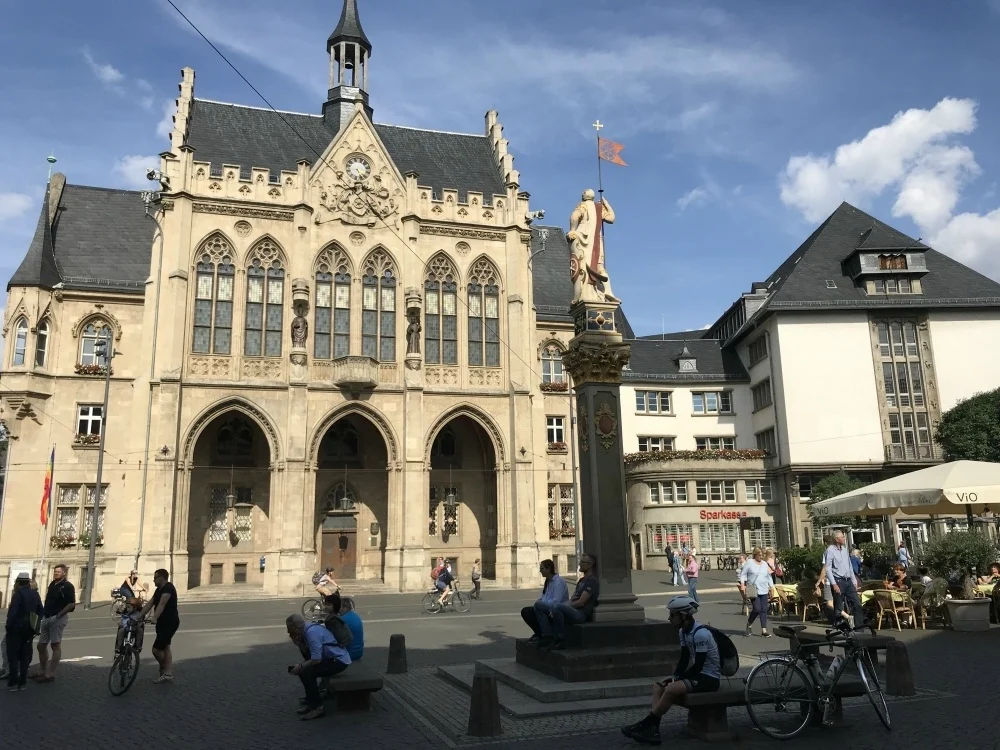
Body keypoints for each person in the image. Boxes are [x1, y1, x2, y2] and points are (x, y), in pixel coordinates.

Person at [620, 595, 720, 745]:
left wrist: (678, 680)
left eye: (672, 615)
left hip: (709, 678)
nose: (669, 618)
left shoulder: (700, 634)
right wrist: (675, 676)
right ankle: (653, 730)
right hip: (698, 675)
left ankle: (646, 724)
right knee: (658, 686)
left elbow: (698, 665)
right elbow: (684, 659)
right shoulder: (683, 632)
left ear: (684, 615)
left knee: (671, 689)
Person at [286, 613, 351, 720]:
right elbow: (309, 655)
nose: (289, 632)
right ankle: (311, 703)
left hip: (339, 661)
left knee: (306, 672)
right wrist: (299, 644)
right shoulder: (306, 631)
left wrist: (301, 666)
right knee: (304, 671)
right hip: (331, 659)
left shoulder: (311, 633)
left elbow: (316, 660)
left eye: (289, 629)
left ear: (296, 628)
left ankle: (317, 708)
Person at [33, 563, 76, 683]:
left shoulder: (67, 586)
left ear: (64, 573)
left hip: (58, 618)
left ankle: (50, 674)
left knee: (55, 645)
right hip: (47, 617)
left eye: (58, 572)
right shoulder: (52, 584)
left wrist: (58, 615)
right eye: (55, 572)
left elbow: (71, 604)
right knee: (41, 645)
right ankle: (42, 671)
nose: (56, 573)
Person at [548, 553, 599, 650]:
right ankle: (551, 638)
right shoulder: (581, 580)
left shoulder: (592, 581)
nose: (579, 564)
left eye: (583, 562)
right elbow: (573, 598)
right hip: (574, 610)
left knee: (557, 607)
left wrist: (565, 607)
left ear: (590, 565)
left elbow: (581, 602)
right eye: (580, 561)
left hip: (581, 613)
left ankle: (560, 639)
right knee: (552, 609)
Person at [138, 569, 179, 684]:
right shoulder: (158, 590)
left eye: (155, 577)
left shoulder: (168, 588)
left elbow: (161, 604)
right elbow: (150, 603)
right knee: (166, 647)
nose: (153, 580)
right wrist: (139, 616)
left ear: (161, 578)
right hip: (163, 622)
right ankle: (168, 673)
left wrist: (154, 617)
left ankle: (165, 668)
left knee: (156, 650)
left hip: (169, 622)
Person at [6, 572, 43, 691]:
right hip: (29, 630)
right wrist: (35, 625)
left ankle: (13, 683)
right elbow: (41, 611)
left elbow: (13, 613)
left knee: (13, 656)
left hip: (16, 628)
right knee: (25, 656)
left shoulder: (17, 594)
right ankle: (22, 683)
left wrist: (8, 626)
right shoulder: (35, 594)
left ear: (18, 582)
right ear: (28, 582)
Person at [520, 559, 570, 647]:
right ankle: (539, 634)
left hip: (557, 609)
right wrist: (539, 602)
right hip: (546, 607)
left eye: (542, 569)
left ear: (549, 569)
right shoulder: (548, 581)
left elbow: (556, 601)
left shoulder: (558, 582)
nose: (540, 571)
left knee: (538, 606)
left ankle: (547, 635)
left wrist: (541, 604)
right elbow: (544, 596)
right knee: (526, 611)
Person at [825, 530, 864, 628]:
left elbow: (849, 566)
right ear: (837, 539)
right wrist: (834, 584)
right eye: (842, 537)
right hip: (838, 580)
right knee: (838, 605)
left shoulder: (844, 549)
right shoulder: (830, 550)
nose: (844, 538)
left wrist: (854, 580)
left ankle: (859, 626)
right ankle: (839, 624)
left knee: (857, 603)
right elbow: (828, 568)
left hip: (848, 580)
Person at [739, 547, 773, 638]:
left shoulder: (765, 564)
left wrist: (771, 587)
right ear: (755, 554)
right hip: (753, 589)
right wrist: (742, 585)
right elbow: (743, 574)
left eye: (762, 555)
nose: (761, 557)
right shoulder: (750, 562)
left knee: (764, 610)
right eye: (759, 555)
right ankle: (749, 624)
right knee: (757, 609)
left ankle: (764, 630)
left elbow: (768, 576)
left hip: (764, 589)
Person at [327, 591, 364, 662]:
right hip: (359, 652)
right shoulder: (355, 616)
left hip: (349, 654)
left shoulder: (343, 619)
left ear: (345, 608)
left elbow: (332, 636)